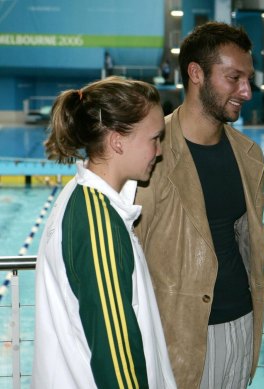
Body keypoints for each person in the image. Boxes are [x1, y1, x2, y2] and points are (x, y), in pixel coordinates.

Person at [134, 21, 264, 389]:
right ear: (196, 73)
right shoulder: (151, 155)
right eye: (234, 77)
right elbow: (131, 254)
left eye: (249, 78)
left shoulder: (249, 155)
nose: (247, 91)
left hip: (242, 325)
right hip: (179, 334)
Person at [32, 77, 176, 388]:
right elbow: (117, 361)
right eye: (154, 138)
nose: (159, 150)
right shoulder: (98, 225)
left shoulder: (86, 200)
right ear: (117, 141)